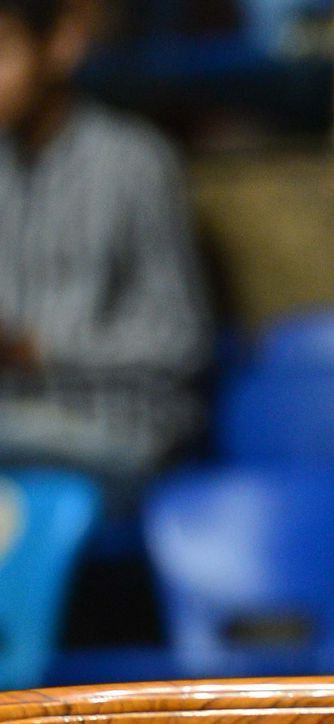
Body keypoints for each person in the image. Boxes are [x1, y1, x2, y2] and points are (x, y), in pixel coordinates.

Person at [0, 0, 210, 509]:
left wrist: (38, 350)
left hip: (119, 429)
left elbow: (181, 338)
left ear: (61, 46)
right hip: (16, 425)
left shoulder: (134, 160)